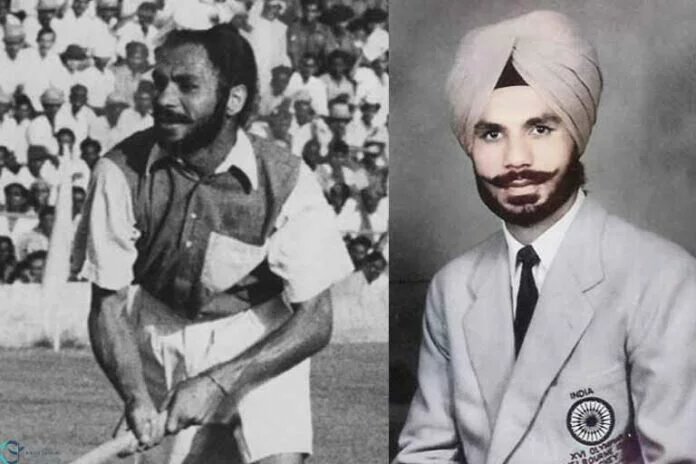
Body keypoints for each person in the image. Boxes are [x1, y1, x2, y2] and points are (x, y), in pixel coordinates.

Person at [395, 10, 696, 463]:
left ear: (576, 135)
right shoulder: (452, 288)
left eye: (540, 128)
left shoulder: (663, 279)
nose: (516, 159)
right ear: (469, 144)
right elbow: (426, 453)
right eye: (492, 133)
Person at [73, 23, 352, 463]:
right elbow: (107, 304)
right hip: (157, 331)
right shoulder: (117, 172)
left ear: (233, 99)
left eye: (187, 86)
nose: (164, 99)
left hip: (258, 334)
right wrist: (135, 397)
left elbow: (315, 319)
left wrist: (218, 382)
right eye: (160, 83)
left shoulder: (287, 179)